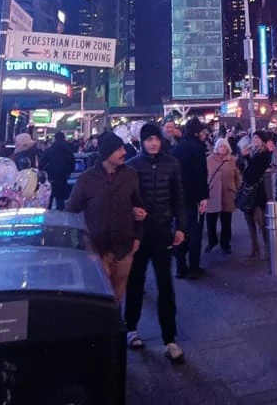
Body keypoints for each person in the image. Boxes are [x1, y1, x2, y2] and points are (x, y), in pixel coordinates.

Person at [125, 123, 187, 361]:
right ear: (142, 141)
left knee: (166, 286)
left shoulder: (172, 164)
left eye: (156, 139)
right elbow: (126, 199)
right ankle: (131, 328)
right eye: (148, 139)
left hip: (163, 232)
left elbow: (179, 197)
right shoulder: (132, 166)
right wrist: (132, 212)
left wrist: (181, 227)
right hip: (139, 234)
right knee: (135, 282)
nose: (153, 143)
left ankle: (170, 339)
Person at [66, 131, 146, 301]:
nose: (124, 152)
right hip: (97, 249)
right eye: (118, 149)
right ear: (106, 153)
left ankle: (114, 326)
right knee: (101, 297)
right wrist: (81, 244)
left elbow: (139, 205)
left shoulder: (130, 175)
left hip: (124, 247)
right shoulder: (87, 179)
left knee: (118, 296)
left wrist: (137, 237)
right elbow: (71, 212)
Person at [171, 118, 209, 279]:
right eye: (202, 131)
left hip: (178, 197)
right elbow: (201, 175)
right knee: (195, 233)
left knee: (180, 231)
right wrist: (204, 197)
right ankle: (194, 267)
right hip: (194, 197)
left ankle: (180, 267)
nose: (204, 134)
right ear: (196, 132)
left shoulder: (177, 149)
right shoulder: (198, 149)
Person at [240, 130, 274, 259]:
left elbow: (257, 169)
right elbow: (249, 168)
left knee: (262, 222)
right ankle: (254, 247)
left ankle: (268, 249)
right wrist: (247, 157)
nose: (254, 140)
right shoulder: (255, 152)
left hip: (257, 192)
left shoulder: (265, 154)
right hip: (249, 190)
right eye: (253, 138)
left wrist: (247, 157)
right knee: (249, 220)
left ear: (263, 140)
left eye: (257, 138)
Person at [205, 137, 241, 254]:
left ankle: (225, 244)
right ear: (216, 147)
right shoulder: (209, 160)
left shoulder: (232, 160)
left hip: (227, 193)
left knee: (226, 222)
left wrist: (235, 189)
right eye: (221, 146)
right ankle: (212, 241)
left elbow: (237, 177)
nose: (223, 148)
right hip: (212, 194)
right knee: (211, 221)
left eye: (225, 146)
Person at [40, 131, 76, 211]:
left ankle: (47, 215)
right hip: (62, 177)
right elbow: (72, 162)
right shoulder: (67, 149)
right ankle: (60, 217)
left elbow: (42, 162)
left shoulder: (51, 148)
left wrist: (42, 171)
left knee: (49, 197)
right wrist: (69, 172)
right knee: (60, 200)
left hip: (51, 177)